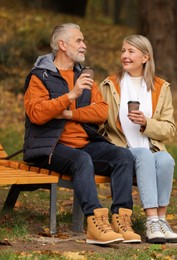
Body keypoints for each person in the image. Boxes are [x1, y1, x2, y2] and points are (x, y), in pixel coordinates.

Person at [23, 23, 141, 245]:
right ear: (62, 45)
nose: (84, 45)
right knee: (82, 160)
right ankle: (95, 222)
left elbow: (101, 111)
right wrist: (71, 94)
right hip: (50, 147)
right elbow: (37, 113)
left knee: (123, 157)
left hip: (83, 143)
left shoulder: (84, 75)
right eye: (79, 40)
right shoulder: (40, 76)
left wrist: (68, 113)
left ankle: (121, 220)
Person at [98, 35, 177, 244]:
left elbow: (169, 129)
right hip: (121, 150)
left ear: (145, 57)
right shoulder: (110, 85)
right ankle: (151, 220)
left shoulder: (161, 88)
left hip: (150, 150)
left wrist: (146, 123)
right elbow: (98, 120)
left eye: (130, 52)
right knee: (143, 154)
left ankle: (161, 219)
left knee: (165, 159)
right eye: (123, 51)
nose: (124, 56)